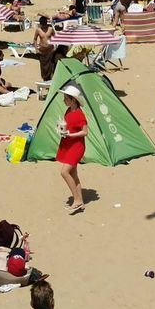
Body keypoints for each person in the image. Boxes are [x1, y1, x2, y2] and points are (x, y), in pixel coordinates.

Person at [55, 82, 87, 214]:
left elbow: (85, 132)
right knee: (73, 173)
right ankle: (80, 202)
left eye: (66, 98)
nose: (64, 101)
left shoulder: (80, 115)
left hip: (76, 146)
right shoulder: (68, 111)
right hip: (69, 144)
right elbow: (67, 125)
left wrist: (71, 134)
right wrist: (60, 129)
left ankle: (77, 200)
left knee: (64, 172)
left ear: (73, 100)